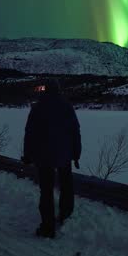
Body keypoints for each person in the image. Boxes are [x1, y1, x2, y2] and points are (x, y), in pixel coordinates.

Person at [22, 78, 81, 238]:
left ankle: (48, 227)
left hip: (44, 156)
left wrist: (27, 155)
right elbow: (75, 132)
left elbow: (30, 134)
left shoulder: (37, 108)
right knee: (66, 185)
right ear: (58, 90)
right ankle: (65, 214)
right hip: (64, 154)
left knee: (46, 190)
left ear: (45, 90)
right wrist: (76, 154)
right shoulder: (67, 107)